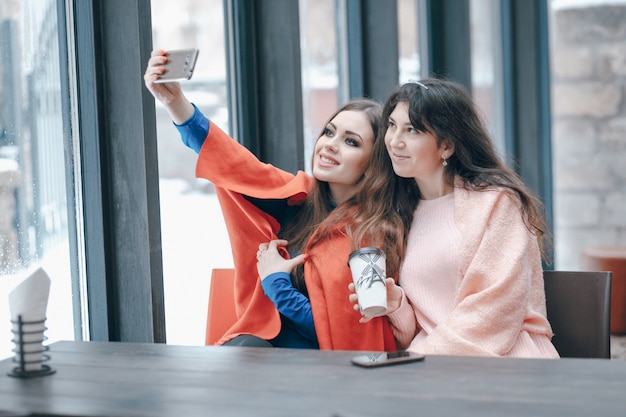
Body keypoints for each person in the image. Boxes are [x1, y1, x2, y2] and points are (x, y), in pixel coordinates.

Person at [144, 49, 416, 350]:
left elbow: (349, 337)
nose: (330, 146)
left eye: (351, 141)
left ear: (372, 165)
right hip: (259, 350)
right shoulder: (294, 195)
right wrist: (173, 101)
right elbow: (232, 163)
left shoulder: (375, 234)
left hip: (322, 372)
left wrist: (277, 284)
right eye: (329, 132)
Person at [349, 78, 560, 358]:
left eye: (411, 130)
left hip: (511, 360)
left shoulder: (497, 202)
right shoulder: (400, 214)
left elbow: (496, 310)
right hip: (439, 366)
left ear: (446, 147)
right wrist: (398, 308)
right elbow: (429, 322)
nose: (394, 141)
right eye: (391, 125)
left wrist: (418, 359)